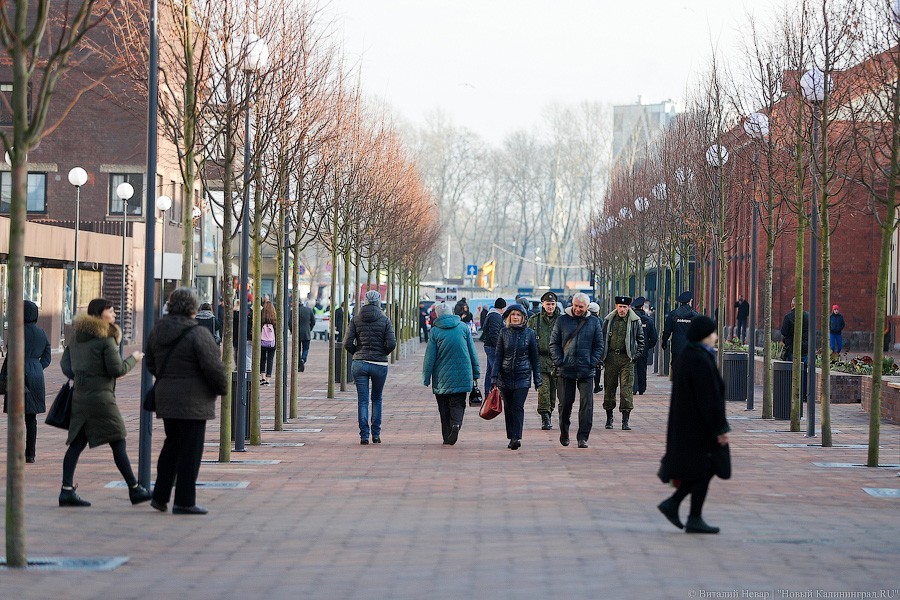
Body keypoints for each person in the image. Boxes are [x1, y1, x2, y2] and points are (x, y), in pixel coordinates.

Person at [58, 298, 151, 507]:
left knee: (76, 443)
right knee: (118, 439)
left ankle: (66, 490)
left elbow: (65, 365)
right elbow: (117, 370)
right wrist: (134, 358)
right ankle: (135, 489)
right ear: (101, 314)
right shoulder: (106, 339)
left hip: (80, 397)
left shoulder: (77, 336)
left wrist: (82, 377)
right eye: (111, 311)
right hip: (101, 398)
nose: (115, 314)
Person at [146, 288, 228, 515]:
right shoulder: (198, 333)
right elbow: (214, 367)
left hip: (166, 398)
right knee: (190, 452)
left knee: (171, 446)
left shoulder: (158, 331)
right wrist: (222, 388)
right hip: (193, 401)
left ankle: (160, 496)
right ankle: (184, 500)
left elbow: (151, 363)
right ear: (192, 308)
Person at [658, 315, 731, 534]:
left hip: (689, 425)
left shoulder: (689, 355)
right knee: (705, 467)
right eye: (713, 333)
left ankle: (677, 506)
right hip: (698, 427)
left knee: (701, 469)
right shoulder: (699, 359)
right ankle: (691, 515)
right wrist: (720, 429)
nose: (716, 337)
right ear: (704, 335)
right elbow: (709, 398)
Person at [549, 292, 604, 448]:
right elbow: (554, 343)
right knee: (565, 404)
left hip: (586, 370)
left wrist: (592, 362)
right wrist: (560, 361)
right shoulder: (562, 320)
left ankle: (583, 437)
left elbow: (599, 345)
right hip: (566, 369)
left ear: (587, 307)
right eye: (575, 306)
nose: (577, 309)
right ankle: (564, 432)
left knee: (587, 405)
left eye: (581, 306)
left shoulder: (594, 322)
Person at [422, 302, 480, 445]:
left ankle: (447, 436)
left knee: (443, 408)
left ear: (438, 315)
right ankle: (456, 424)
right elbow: (472, 351)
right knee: (458, 404)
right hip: (463, 374)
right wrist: (476, 372)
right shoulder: (463, 328)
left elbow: (430, 357)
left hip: (442, 377)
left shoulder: (435, 331)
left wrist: (426, 377)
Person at [1, 301, 52, 463]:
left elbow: (10, 356)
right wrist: (36, 366)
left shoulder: (16, 333)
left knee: (15, 417)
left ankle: (15, 453)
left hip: (17, 374)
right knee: (31, 418)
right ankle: (30, 454)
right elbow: (47, 358)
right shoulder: (42, 333)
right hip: (36, 375)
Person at [344, 290, 397, 444]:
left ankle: (364, 436)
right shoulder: (385, 319)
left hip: (359, 363)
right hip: (379, 363)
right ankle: (376, 434)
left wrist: (357, 353)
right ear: (379, 302)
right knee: (377, 398)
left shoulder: (355, 319)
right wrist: (383, 353)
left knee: (362, 400)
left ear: (365, 301)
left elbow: (347, 342)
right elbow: (392, 343)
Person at [492, 303, 541, 450]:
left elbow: (535, 358)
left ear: (523, 318)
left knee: (518, 406)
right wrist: (494, 377)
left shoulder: (529, 334)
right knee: (508, 407)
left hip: (523, 376)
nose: (515, 317)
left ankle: (516, 437)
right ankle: (511, 435)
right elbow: (498, 356)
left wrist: (537, 378)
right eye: (513, 314)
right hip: (505, 376)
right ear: (508, 317)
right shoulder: (503, 333)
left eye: (518, 315)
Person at [600, 296, 645, 431]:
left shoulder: (635, 321)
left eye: (625, 307)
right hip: (611, 358)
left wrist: (636, 356)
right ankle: (609, 417)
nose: (622, 309)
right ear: (616, 306)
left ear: (629, 308)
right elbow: (602, 339)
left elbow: (641, 340)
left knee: (626, 390)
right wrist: (601, 357)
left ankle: (625, 419)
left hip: (627, 359)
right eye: (620, 306)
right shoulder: (609, 320)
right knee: (609, 388)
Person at [526, 291, 561, 430]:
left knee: (554, 393)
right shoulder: (534, 320)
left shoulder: (562, 320)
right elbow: (527, 339)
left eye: (552, 304)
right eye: (548, 304)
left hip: (557, 361)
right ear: (543, 304)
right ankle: (545, 417)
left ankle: (549, 410)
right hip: (540, 360)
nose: (550, 307)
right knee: (543, 390)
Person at [662, 291, 699, 376]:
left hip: (677, 347)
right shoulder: (695, 316)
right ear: (690, 301)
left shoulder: (673, 314)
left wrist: (664, 342)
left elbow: (667, 330)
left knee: (677, 369)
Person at [780, 296, 810, 400]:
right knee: (804, 371)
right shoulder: (807, 316)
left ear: (792, 305)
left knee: (792, 371)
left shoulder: (788, 316)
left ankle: (793, 393)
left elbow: (784, 331)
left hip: (792, 348)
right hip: (805, 348)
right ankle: (804, 394)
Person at [631, 296, 658, 396]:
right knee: (642, 369)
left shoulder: (630, 319)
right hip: (643, 349)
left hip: (632, 348)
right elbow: (654, 337)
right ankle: (642, 388)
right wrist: (647, 346)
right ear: (642, 307)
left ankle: (633, 387)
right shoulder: (649, 321)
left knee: (632, 368)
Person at [480, 297, 507, 393]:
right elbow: (494, 333)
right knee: (495, 371)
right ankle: (493, 393)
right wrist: (499, 347)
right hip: (492, 347)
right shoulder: (495, 316)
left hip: (490, 346)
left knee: (490, 370)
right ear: (502, 307)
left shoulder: (491, 315)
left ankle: (488, 393)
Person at [293, 299, 316, 371]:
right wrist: (309, 329)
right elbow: (313, 321)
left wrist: (292, 331)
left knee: (297, 349)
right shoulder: (309, 310)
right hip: (306, 333)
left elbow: (290, 322)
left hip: (297, 333)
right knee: (306, 349)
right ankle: (303, 359)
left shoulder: (294, 311)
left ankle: (299, 363)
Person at [259, 300, 277, 385]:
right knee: (270, 360)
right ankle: (268, 378)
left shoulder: (261, 318)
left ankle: (262, 377)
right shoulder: (274, 319)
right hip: (272, 343)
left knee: (262, 359)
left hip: (262, 342)